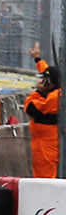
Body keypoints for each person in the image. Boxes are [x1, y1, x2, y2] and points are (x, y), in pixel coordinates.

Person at [29, 43, 59, 179]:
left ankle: (48, 199)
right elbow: (50, 73)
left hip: (47, 143)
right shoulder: (57, 88)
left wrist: (37, 92)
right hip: (44, 139)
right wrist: (38, 59)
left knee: (45, 176)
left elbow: (31, 108)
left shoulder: (54, 97)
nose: (43, 83)